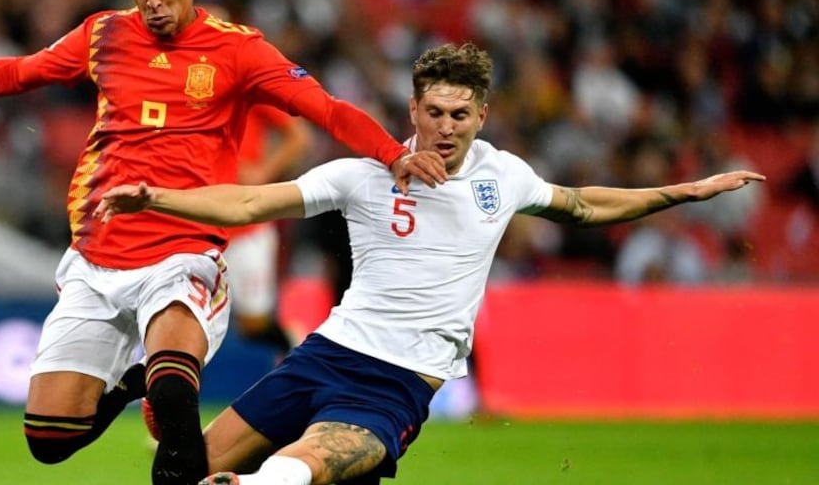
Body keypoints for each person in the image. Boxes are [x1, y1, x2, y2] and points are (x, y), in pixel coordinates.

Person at [0, 0, 445, 485]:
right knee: (48, 440)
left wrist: (394, 154)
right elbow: (19, 72)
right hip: (96, 260)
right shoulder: (103, 34)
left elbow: (326, 109)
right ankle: (130, 382)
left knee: (176, 392)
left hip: (183, 254)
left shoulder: (238, 50)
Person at [94, 42, 765, 485]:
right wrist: (159, 196)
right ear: (413, 109)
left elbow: (583, 205)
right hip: (325, 355)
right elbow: (247, 201)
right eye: (435, 111)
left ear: (483, 115)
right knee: (179, 471)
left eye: (461, 114)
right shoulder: (362, 175)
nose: (447, 127)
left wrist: (684, 192)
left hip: (396, 383)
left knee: (298, 469)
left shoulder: (503, 178)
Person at [227, 105, 311, 354]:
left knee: (253, 325)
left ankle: (297, 348)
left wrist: (262, 172)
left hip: (246, 226)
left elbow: (300, 136)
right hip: (195, 225)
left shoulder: (246, 84)